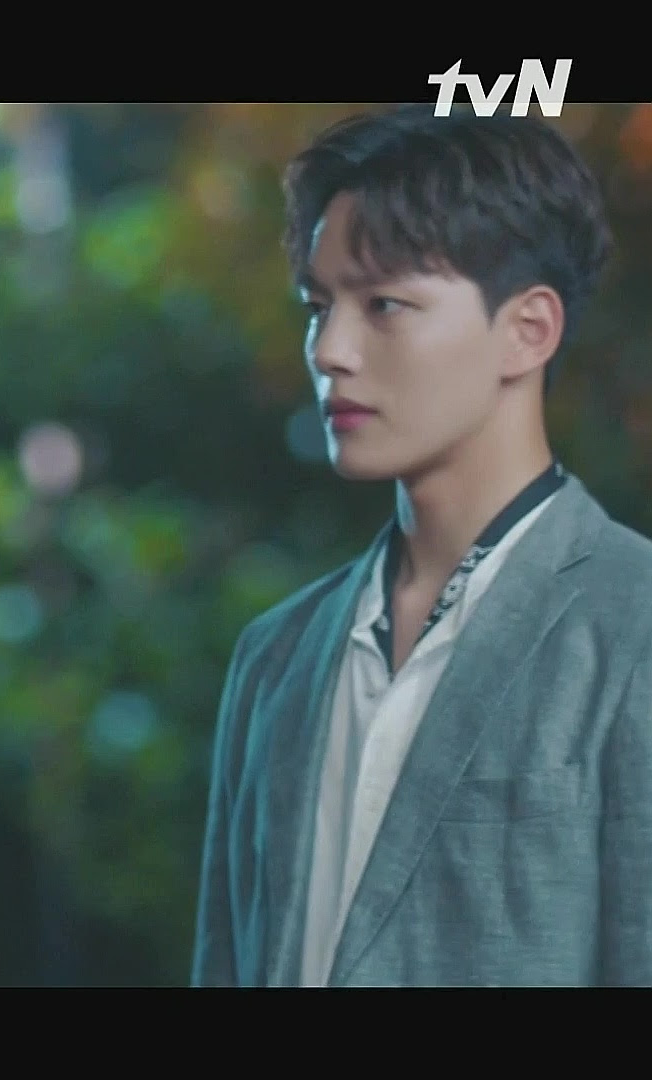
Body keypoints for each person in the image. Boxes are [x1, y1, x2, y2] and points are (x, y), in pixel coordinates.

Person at [192, 105, 652, 986]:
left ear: (528, 330)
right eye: (318, 307)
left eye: (384, 305)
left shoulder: (632, 630)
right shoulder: (275, 657)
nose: (330, 350)